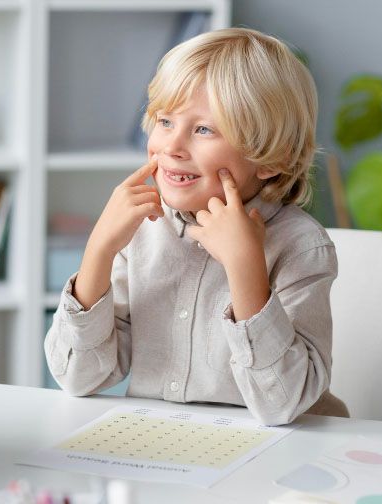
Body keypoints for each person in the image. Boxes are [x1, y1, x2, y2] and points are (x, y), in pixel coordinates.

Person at [44, 27, 349, 426]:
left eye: (204, 129)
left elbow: (283, 405)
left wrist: (245, 266)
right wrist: (99, 250)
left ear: (272, 158)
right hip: (171, 449)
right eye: (165, 121)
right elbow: (79, 377)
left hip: (278, 457)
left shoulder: (302, 248)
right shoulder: (141, 232)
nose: (172, 147)